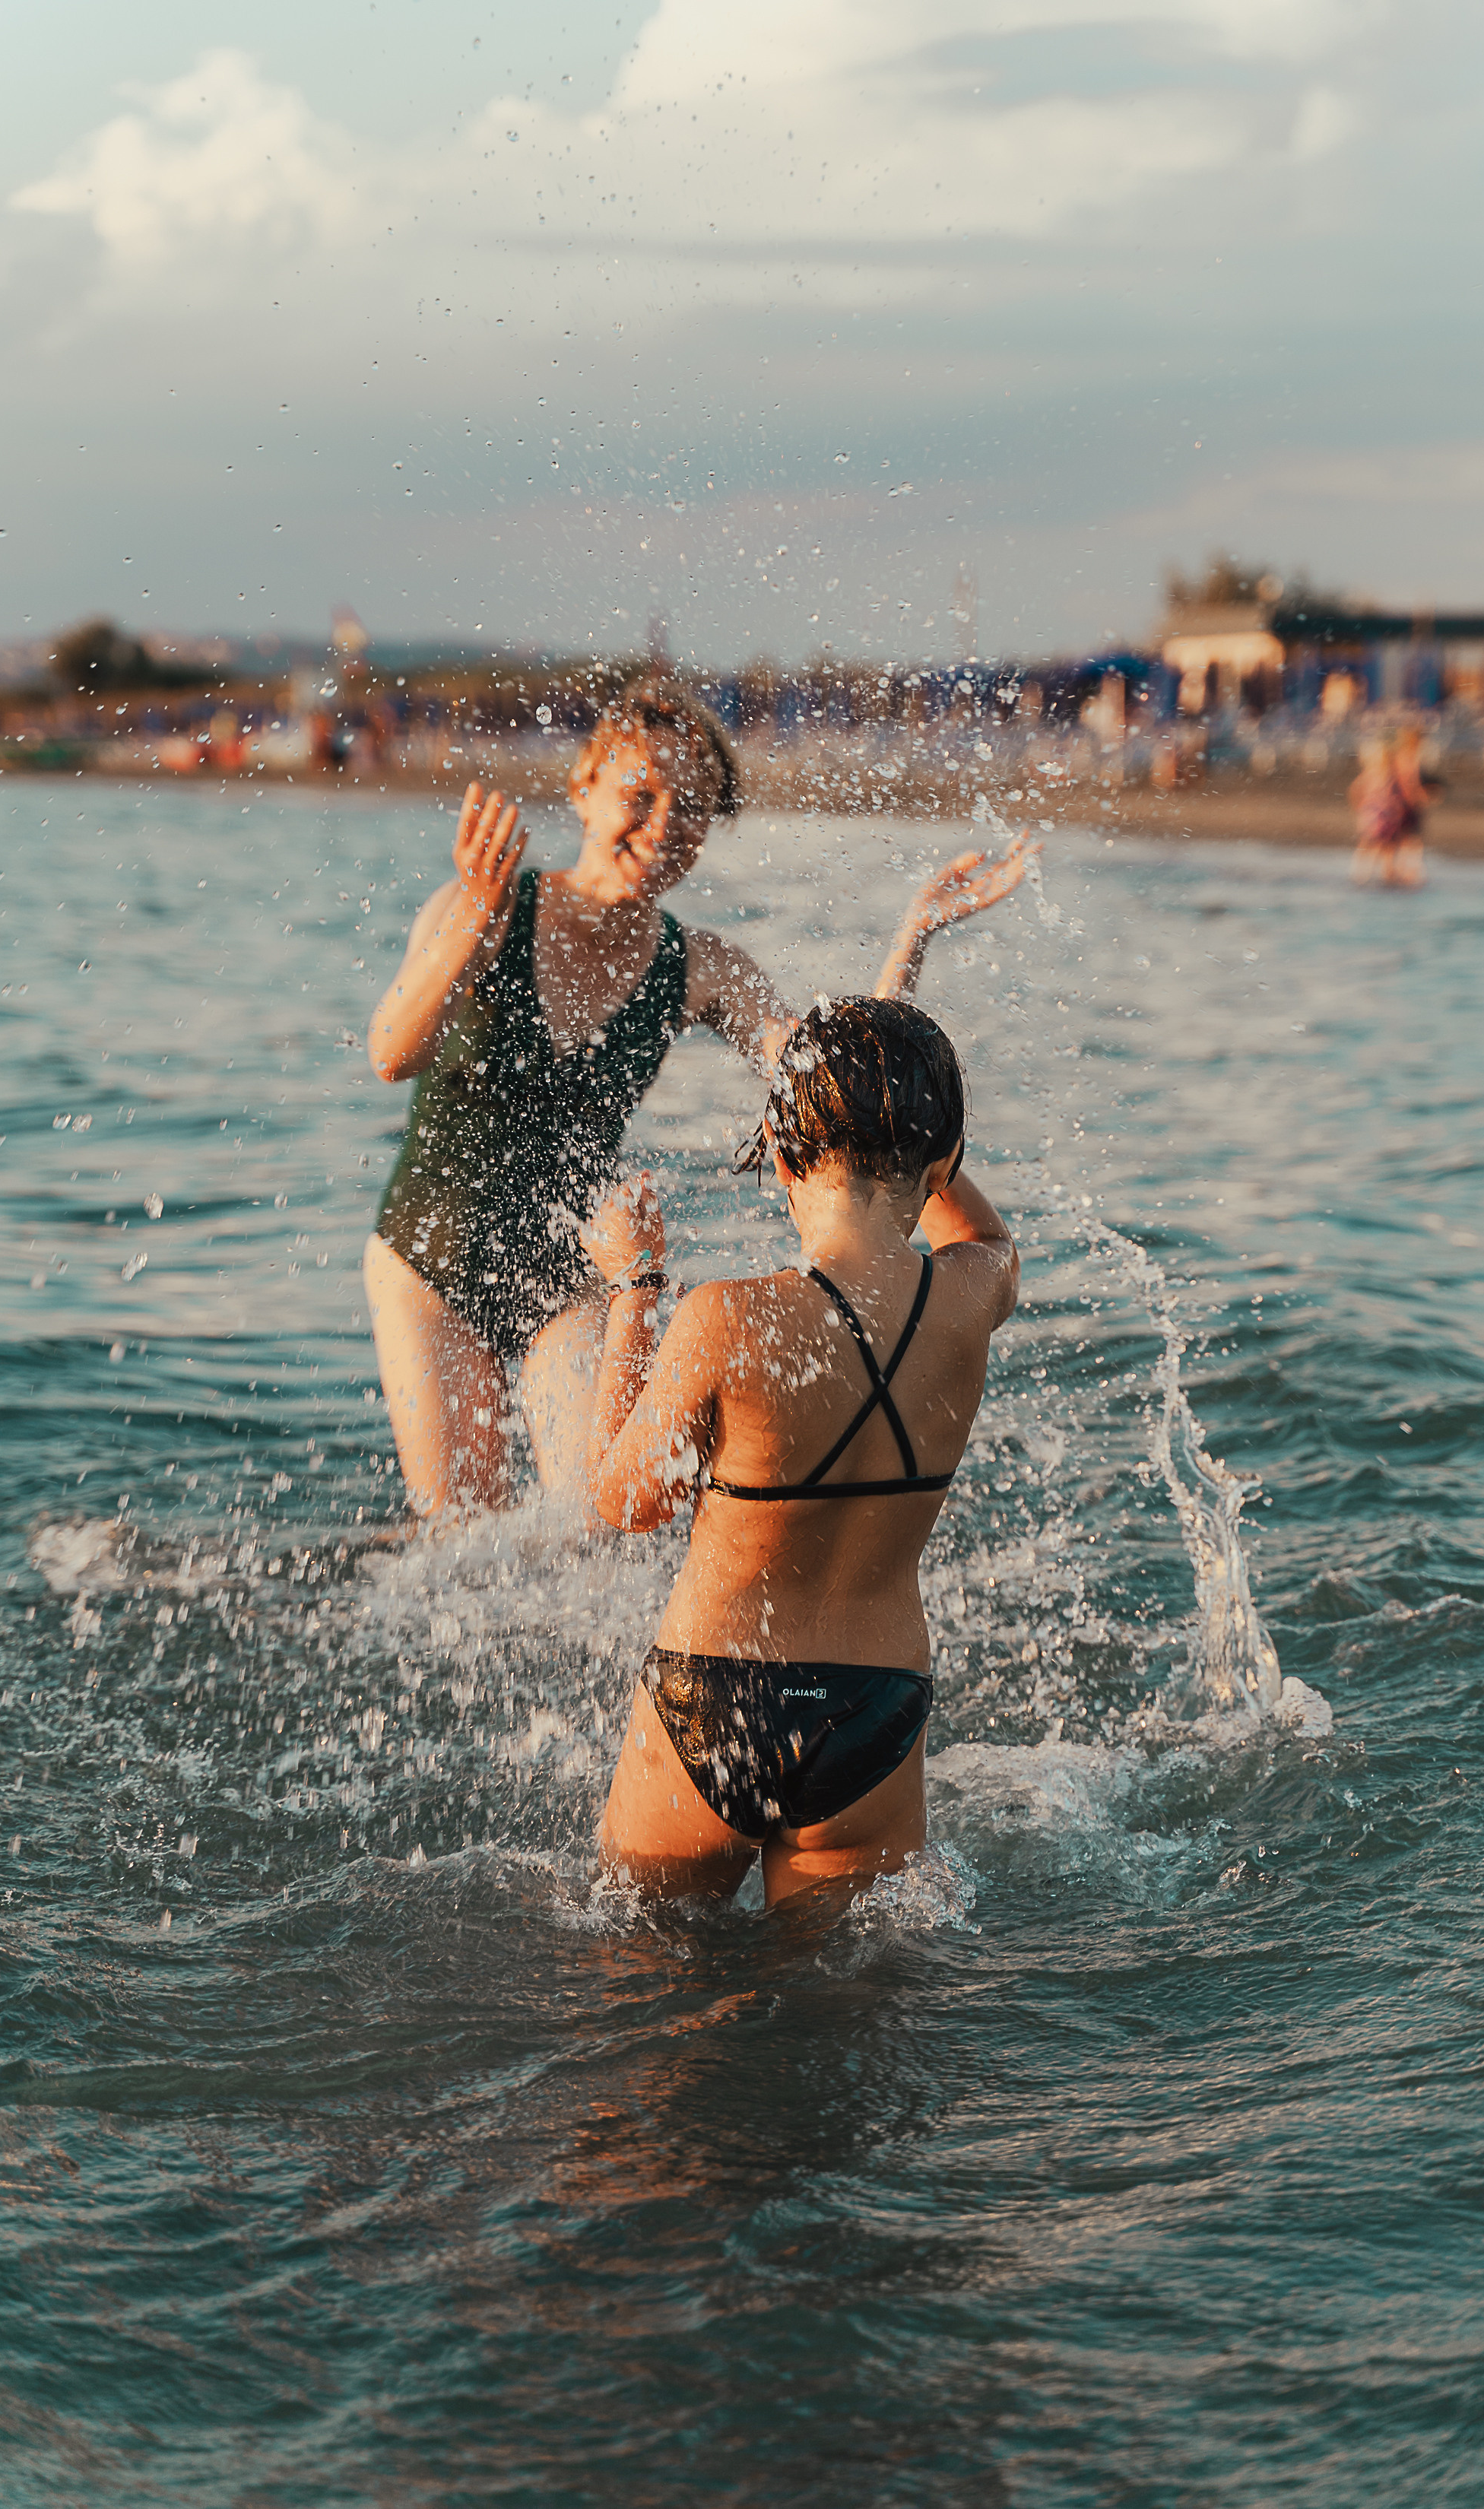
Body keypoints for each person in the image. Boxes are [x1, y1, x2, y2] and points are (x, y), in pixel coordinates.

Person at [364, 678, 1032, 1516]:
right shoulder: (486, 910)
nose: (664, 826)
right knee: (461, 1537)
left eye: (692, 811)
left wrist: (913, 936)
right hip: (431, 1254)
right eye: (640, 796)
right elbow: (393, 1053)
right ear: (584, 786)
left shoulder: (702, 967)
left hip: (572, 1268)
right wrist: (476, 917)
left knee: (596, 1530)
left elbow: (831, 1081)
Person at [583, 996, 1019, 1907]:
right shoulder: (974, 1296)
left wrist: (636, 1284)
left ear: (780, 1158)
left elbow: (625, 1502)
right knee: (835, 2014)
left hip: (715, 1697)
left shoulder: (725, 1320)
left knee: (639, 1999)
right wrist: (920, 1134)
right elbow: (982, 1234)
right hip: (878, 1709)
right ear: (941, 1162)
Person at [1349, 726, 1431, 887]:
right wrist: (1418, 799)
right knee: (1403, 842)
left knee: (1378, 843)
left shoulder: (1377, 769)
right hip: (1396, 809)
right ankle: (1404, 874)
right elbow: (1408, 784)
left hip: (1379, 811)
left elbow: (1355, 789)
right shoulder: (1406, 760)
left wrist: (1361, 806)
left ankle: (1363, 876)